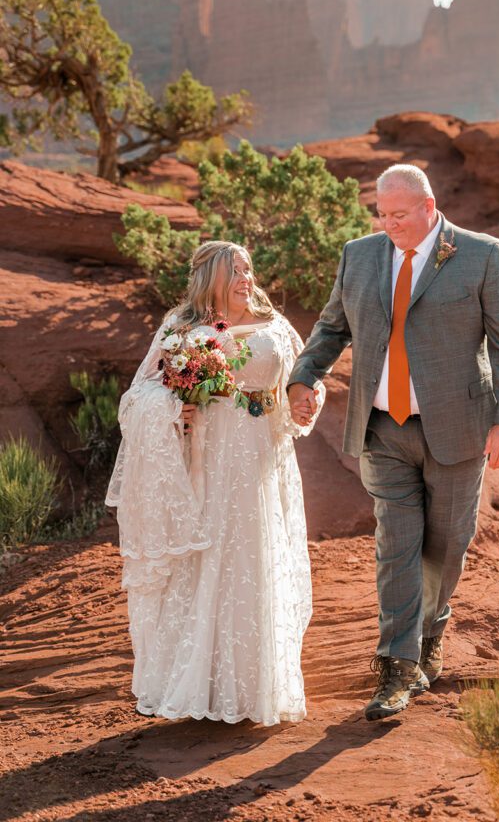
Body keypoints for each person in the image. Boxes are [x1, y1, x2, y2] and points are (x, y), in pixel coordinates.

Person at [287, 165, 499, 721]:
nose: (389, 223)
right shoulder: (360, 254)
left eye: (399, 214)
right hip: (383, 428)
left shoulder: (481, 255)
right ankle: (396, 668)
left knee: (445, 546)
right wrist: (305, 374)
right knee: (396, 544)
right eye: (382, 213)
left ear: (429, 206)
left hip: (458, 428)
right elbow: (332, 328)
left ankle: (431, 635)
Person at [106, 240, 324, 725]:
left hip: (260, 461)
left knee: (252, 555)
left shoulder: (274, 325)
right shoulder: (181, 328)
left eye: (249, 269)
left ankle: (251, 689)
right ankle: (196, 685)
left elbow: (304, 377)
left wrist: (305, 400)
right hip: (204, 463)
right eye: (236, 271)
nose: (247, 278)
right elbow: (140, 392)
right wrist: (172, 406)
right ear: (212, 281)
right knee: (204, 561)